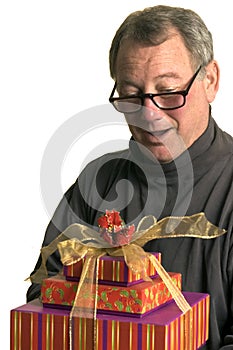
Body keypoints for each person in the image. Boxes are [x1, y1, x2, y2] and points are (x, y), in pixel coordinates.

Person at [27, 5, 233, 349]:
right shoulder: (98, 180)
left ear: (210, 81)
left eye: (168, 92)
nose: (148, 114)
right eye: (131, 95)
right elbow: (43, 294)